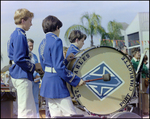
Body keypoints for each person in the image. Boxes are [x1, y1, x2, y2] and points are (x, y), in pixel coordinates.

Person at [38, 15, 85, 118]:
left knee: (56, 116)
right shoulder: (56, 40)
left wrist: (65, 60)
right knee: (71, 114)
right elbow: (59, 67)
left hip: (47, 83)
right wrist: (75, 80)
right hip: (57, 85)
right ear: (56, 28)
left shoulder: (42, 43)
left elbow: (46, 64)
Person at [7, 8, 43, 118]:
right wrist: (34, 66)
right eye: (30, 21)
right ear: (23, 20)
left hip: (20, 74)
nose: (31, 24)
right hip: (22, 75)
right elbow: (19, 59)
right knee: (25, 111)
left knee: (29, 109)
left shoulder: (15, 34)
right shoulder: (20, 35)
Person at [131, 48, 149, 115]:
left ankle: (145, 110)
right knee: (140, 96)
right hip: (139, 80)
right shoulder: (133, 61)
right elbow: (140, 69)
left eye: (139, 52)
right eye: (137, 53)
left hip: (144, 79)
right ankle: (142, 110)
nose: (139, 54)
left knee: (145, 95)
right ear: (134, 54)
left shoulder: (139, 61)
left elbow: (146, 69)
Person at [27, 38, 41, 118]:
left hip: (36, 81)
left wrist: (38, 74)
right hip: (29, 80)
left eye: (32, 46)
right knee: (28, 100)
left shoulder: (34, 56)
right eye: (29, 46)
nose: (31, 48)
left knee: (36, 100)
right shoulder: (24, 55)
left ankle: (36, 116)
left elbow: (37, 67)